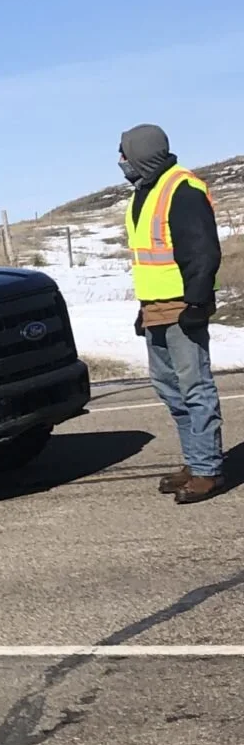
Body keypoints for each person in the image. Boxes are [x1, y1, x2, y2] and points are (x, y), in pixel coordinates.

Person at [120, 124, 226, 504]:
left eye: (124, 153)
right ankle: (195, 460)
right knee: (170, 390)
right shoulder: (145, 192)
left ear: (142, 153)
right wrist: (143, 308)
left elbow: (202, 251)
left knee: (196, 388)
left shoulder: (181, 189)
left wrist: (197, 303)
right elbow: (150, 260)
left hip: (183, 308)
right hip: (156, 310)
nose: (120, 161)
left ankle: (207, 471)